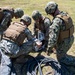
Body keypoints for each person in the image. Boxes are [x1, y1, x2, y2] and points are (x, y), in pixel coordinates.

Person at [45, 1, 75, 66]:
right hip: (71, 38)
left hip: (65, 42)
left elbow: (52, 39)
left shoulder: (56, 22)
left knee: (61, 59)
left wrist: (49, 50)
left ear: (51, 12)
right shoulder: (65, 14)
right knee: (60, 52)